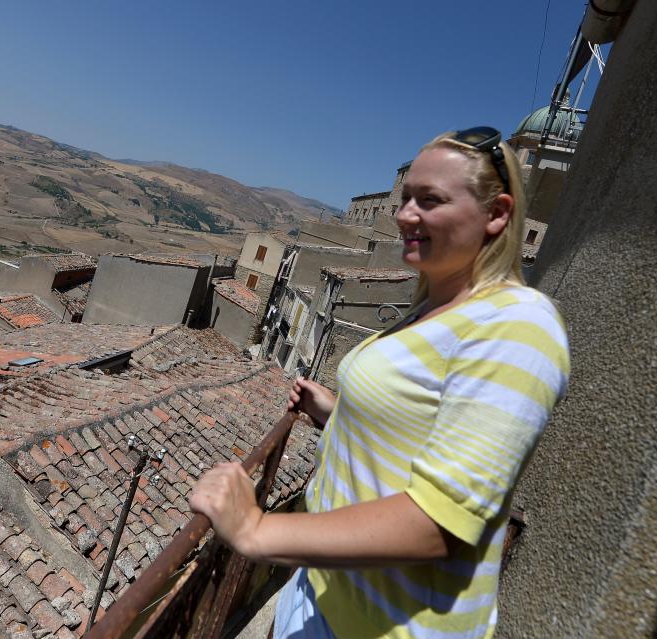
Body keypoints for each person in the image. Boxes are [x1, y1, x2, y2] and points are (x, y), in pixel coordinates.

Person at [189, 127, 570, 638]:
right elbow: (418, 423)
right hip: (327, 589)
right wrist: (340, 412)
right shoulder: (433, 309)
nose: (405, 214)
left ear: (497, 214)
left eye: (429, 200)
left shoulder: (518, 323)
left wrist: (257, 530)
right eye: (406, 197)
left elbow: (440, 524)